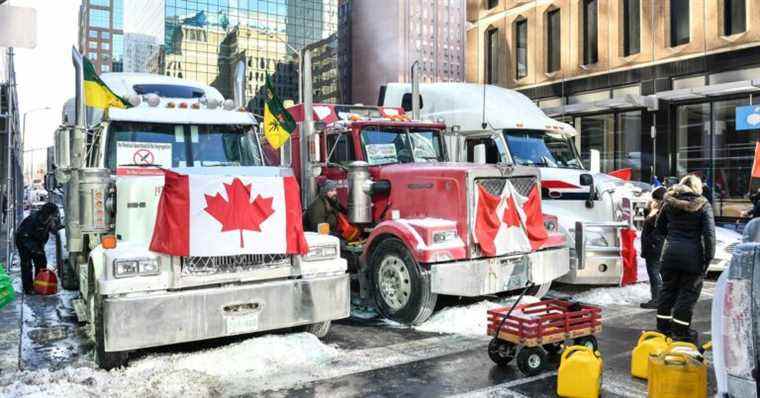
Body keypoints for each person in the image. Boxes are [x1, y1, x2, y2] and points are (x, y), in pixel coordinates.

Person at [654, 175, 715, 341]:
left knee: (667, 291)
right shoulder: (703, 205)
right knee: (687, 295)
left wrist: (673, 239)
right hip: (693, 257)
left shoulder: (669, 202)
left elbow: (658, 226)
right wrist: (708, 258)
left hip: (670, 255)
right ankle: (681, 332)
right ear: (697, 188)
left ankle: (663, 330)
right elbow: (709, 235)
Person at [15, 202, 62, 295]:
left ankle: (39, 283)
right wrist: (35, 249)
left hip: (37, 242)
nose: (55, 218)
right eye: (54, 215)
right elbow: (25, 236)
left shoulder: (49, 221)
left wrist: (60, 229)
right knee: (27, 264)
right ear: (48, 214)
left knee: (41, 262)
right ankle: (28, 288)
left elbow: (54, 229)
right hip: (23, 241)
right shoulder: (33, 220)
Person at [640, 186, 666, 309]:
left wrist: (651, 241)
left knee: (654, 274)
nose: (653, 201)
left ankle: (657, 300)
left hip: (655, 248)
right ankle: (660, 299)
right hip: (656, 246)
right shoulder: (658, 210)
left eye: (654, 199)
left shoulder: (660, 212)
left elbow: (657, 229)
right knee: (658, 274)